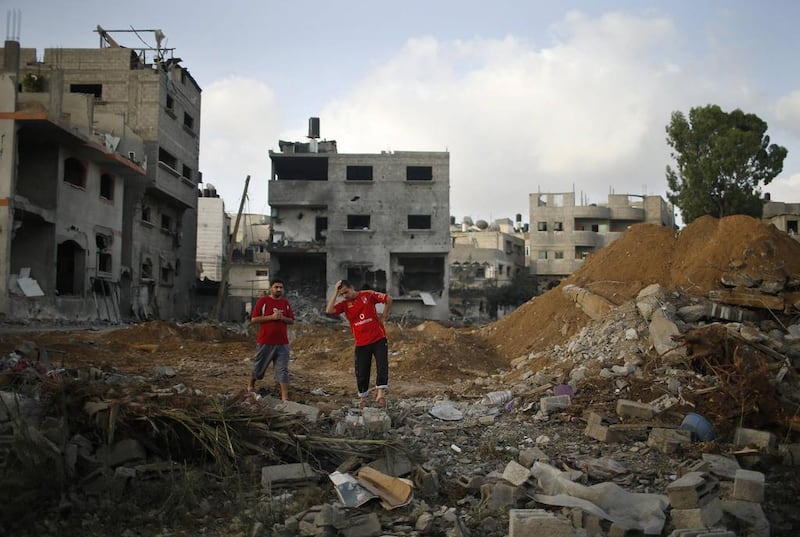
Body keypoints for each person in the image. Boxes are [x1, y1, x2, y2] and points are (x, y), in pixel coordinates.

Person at [326, 279, 392, 406]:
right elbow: (329, 311)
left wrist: (384, 316)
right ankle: (363, 398)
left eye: (346, 292)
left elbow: (388, 299)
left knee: (382, 366)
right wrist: (335, 292)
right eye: (342, 294)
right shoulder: (345, 304)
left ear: (352, 287)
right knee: (362, 372)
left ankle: (380, 396)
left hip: (378, 338)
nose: (345, 295)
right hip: (361, 342)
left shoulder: (367, 295)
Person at [249, 278, 294, 400]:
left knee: (282, 369)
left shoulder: (285, 303)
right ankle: (251, 385)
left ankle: (285, 397)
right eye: (276, 287)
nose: (279, 289)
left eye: (281, 287)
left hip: (282, 343)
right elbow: (254, 319)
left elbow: (291, 320)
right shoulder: (263, 301)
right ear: (270, 288)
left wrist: (282, 318)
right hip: (265, 341)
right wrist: (272, 317)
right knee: (259, 366)